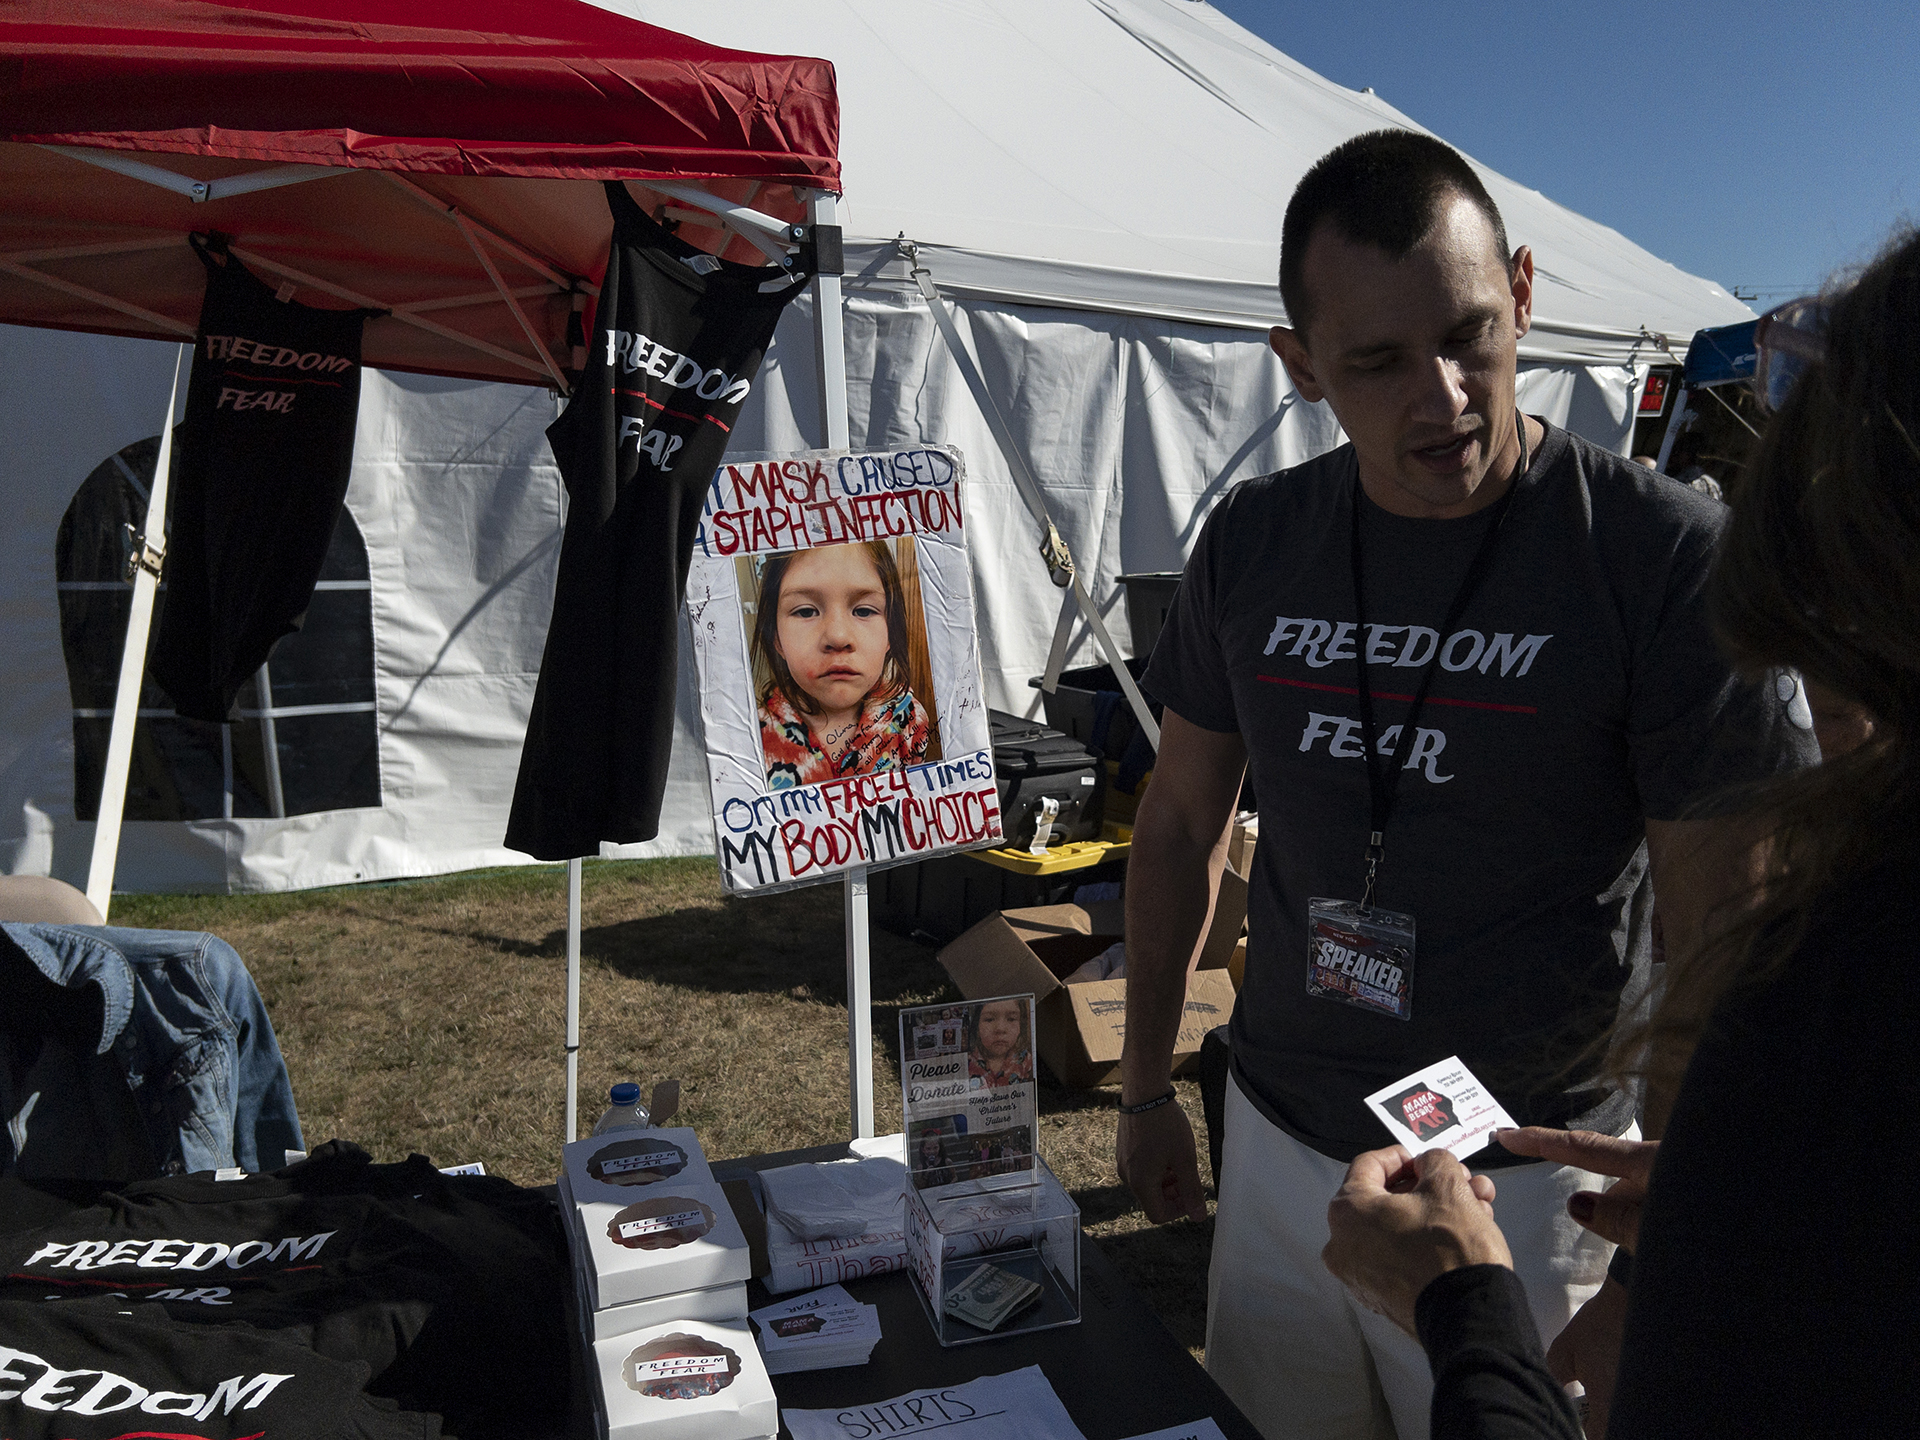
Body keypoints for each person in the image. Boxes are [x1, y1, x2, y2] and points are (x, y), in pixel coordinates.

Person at [1115, 129, 1815, 1440]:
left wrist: (1658, 1258)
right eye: (1377, 363)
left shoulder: (1662, 559)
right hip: (1278, 1136)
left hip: (1532, 1181)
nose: (1442, 400)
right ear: (1301, 364)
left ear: (1529, 294)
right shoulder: (1259, 541)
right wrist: (1148, 1084)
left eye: (1472, 336)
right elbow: (1178, 821)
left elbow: (1727, 937)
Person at [1322, 225, 1920, 1439]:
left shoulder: (1851, 984)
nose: (1824, 741)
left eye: (1846, 689)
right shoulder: (1846, 989)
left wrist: (1471, 1313)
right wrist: (1734, 1208)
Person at [752, 540, 932, 788]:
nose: (838, 637)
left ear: (891, 633)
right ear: (777, 639)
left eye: (864, 611)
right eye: (806, 611)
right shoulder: (750, 740)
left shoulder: (908, 717)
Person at [967, 998, 1034, 1087]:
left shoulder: (1026, 1060)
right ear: (977, 1027)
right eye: (989, 1019)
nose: (1000, 1029)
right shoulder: (966, 1062)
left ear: (1020, 1026)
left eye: (1011, 1019)